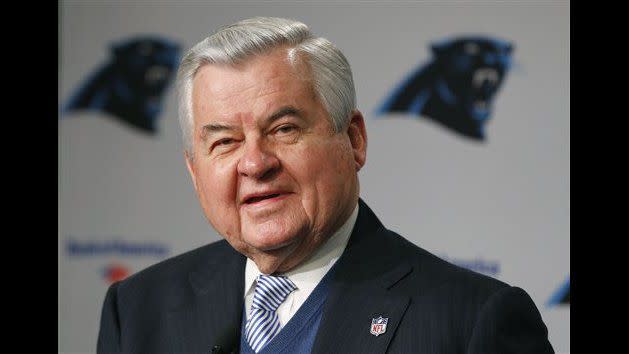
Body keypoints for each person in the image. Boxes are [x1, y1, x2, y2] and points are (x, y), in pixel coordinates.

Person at [97, 17, 554, 354]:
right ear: (195, 172)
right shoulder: (138, 310)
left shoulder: (473, 323)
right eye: (224, 141)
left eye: (284, 129)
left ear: (353, 140)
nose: (255, 162)